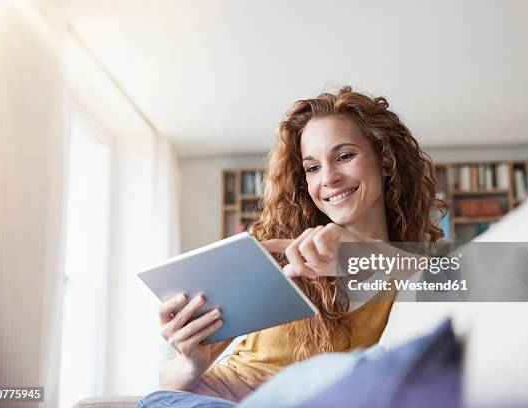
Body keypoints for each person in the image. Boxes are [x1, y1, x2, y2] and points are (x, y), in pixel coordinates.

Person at [137, 86, 445, 407]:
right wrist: (190, 363)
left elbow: (494, 275)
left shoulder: (414, 268)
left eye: (344, 156)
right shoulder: (276, 256)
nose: (328, 178)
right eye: (312, 167)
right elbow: (170, 387)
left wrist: (361, 254)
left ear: (384, 160)